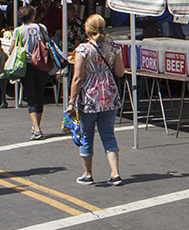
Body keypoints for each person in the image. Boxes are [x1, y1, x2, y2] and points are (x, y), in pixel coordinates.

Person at [67, 15, 126, 186]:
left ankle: (88, 174)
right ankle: (115, 173)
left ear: (87, 30)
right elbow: (120, 72)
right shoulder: (112, 47)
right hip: (109, 94)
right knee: (108, 134)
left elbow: (78, 78)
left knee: (86, 135)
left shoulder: (83, 50)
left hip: (89, 97)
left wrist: (71, 101)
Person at [13, 16, 60, 141]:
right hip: (41, 64)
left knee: (30, 97)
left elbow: (13, 48)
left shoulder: (18, 30)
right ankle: (36, 126)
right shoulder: (41, 27)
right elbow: (47, 42)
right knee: (39, 95)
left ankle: (37, 128)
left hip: (27, 65)